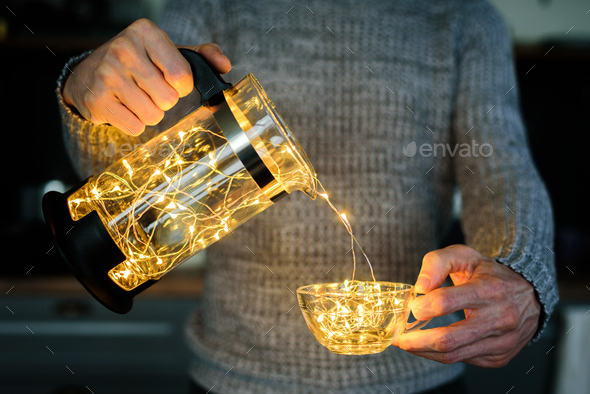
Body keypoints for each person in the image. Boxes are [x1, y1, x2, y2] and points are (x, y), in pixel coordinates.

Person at [56, 0, 558, 393]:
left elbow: (500, 169)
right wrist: (87, 95)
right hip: (236, 382)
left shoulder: (465, 20)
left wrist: (520, 270)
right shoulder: (214, 6)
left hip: (418, 383)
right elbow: (117, 182)